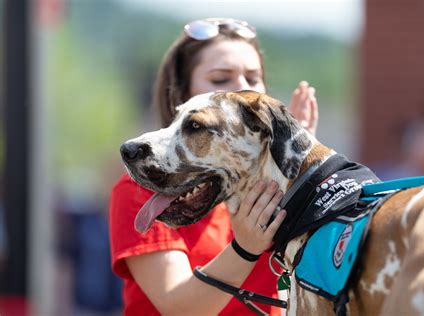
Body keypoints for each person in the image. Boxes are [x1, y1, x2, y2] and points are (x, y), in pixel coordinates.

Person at [109, 18, 319, 315]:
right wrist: (245, 248)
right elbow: (180, 308)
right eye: (221, 80)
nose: (241, 92)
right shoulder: (139, 189)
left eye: (253, 79)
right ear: (182, 95)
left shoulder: (273, 184)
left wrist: (296, 165)